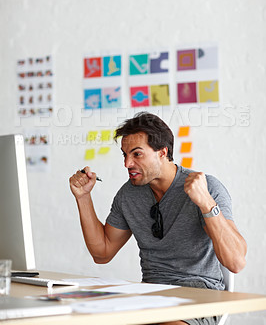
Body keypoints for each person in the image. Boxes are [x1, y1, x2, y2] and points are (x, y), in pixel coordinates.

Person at [69, 112, 247, 325]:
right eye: (124, 155)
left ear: (163, 152)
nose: (127, 163)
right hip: (149, 296)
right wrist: (83, 197)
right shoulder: (128, 195)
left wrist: (207, 204)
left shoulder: (206, 188)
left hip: (199, 297)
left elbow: (235, 262)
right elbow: (102, 253)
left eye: (137, 154)